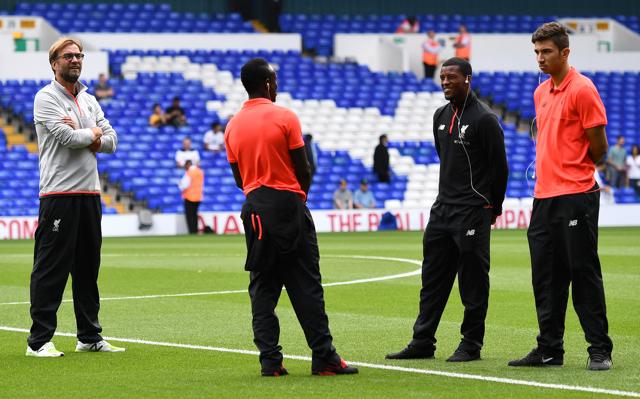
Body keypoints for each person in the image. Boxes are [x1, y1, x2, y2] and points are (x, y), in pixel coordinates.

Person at [224, 57, 358, 377]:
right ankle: (324, 358)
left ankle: (270, 362)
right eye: (276, 80)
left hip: (255, 209)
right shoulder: (285, 117)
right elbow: (304, 168)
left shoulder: (232, 126)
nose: (278, 85)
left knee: (263, 289)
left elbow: (239, 178)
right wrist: (297, 200)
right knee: (306, 286)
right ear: (268, 84)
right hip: (288, 205)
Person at [386, 57, 508, 363]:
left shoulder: (485, 119)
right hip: (442, 210)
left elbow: (499, 169)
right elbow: (446, 159)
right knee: (432, 279)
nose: (445, 82)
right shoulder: (440, 115)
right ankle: (422, 340)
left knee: (473, 281)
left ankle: (471, 343)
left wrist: (493, 206)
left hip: (472, 210)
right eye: (442, 77)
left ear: (467, 78)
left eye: (451, 77)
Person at [508, 22, 613, 371]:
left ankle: (599, 349)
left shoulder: (583, 89)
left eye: (546, 51)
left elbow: (599, 148)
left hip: (576, 195)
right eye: (536, 52)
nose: (540, 58)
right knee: (546, 278)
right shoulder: (540, 93)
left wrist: (573, 173)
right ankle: (549, 349)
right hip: (543, 198)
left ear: (565, 52)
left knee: (582, 272)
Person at [27, 37, 123, 357]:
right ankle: (39, 341)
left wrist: (93, 135)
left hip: (90, 193)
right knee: (51, 267)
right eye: (68, 56)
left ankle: (89, 336)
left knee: (87, 268)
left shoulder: (89, 99)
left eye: (79, 55)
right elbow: (68, 138)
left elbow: (112, 140)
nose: (76, 60)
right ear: (54, 62)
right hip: (59, 193)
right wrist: (92, 133)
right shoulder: (45, 98)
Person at [178, 160, 204, 234]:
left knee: (190, 216)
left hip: (189, 197)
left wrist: (180, 184)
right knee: (195, 215)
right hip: (198, 196)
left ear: (187, 165)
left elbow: (184, 185)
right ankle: (195, 230)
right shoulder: (200, 171)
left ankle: (192, 231)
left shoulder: (189, 172)